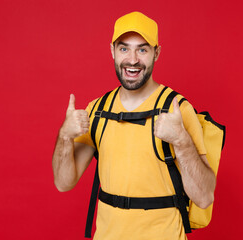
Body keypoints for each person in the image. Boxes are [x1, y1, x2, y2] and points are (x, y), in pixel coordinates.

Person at [52, 11, 216, 240]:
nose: (132, 60)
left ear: (156, 53)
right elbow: (63, 183)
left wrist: (181, 141)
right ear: (112, 50)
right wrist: (65, 136)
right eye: (124, 48)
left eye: (142, 49)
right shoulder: (97, 110)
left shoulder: (178, 110)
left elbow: (205, 197)